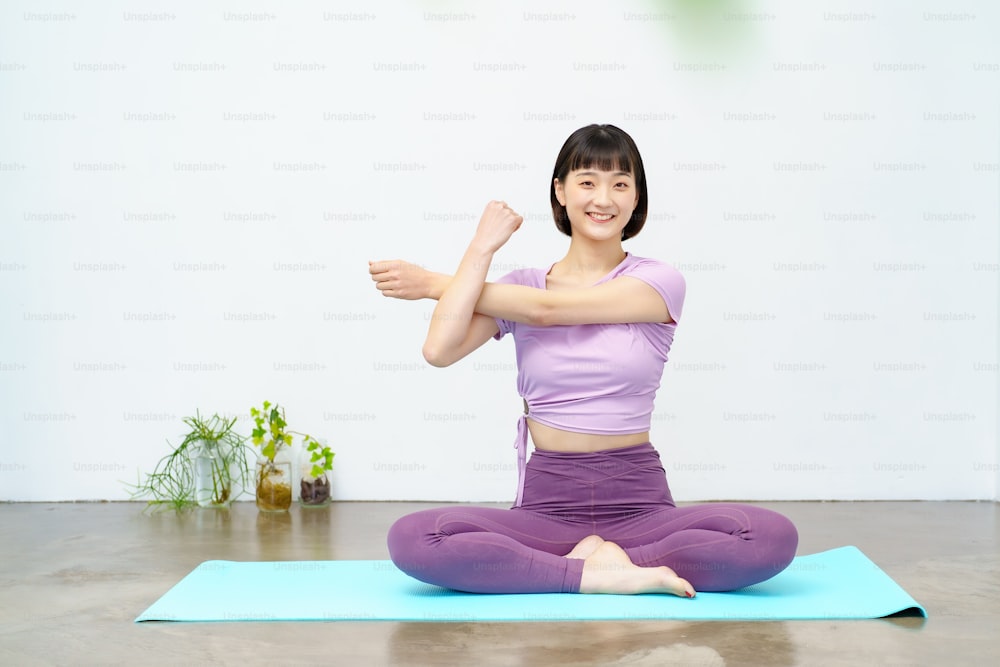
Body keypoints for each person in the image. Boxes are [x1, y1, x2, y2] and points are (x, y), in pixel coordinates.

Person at [368, 124, 797, 597]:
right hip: (547, 506)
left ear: (637, 198)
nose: (604, 198)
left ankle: (586, 566)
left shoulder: (658, 281)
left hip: (640, 502)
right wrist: (481, 247)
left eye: (620, 183)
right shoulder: (521, 286)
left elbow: (548, 311)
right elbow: (439, 350)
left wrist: (432, 282)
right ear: (561, 191)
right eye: (588, 181)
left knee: (769, 536)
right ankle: (602, 574)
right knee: (414, 538)